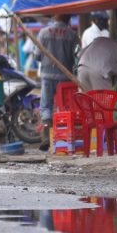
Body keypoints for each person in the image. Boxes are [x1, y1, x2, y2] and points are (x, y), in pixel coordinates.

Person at [35, 14, 78, 151]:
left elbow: (37, 56)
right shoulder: (72, 35)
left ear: (54, 17)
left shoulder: (43, 33)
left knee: (46, 106)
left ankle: (47, 136)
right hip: (65, 77)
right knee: (65, 107)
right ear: (68, 18)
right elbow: (76, 58)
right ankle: (65, 137)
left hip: (47, 75)